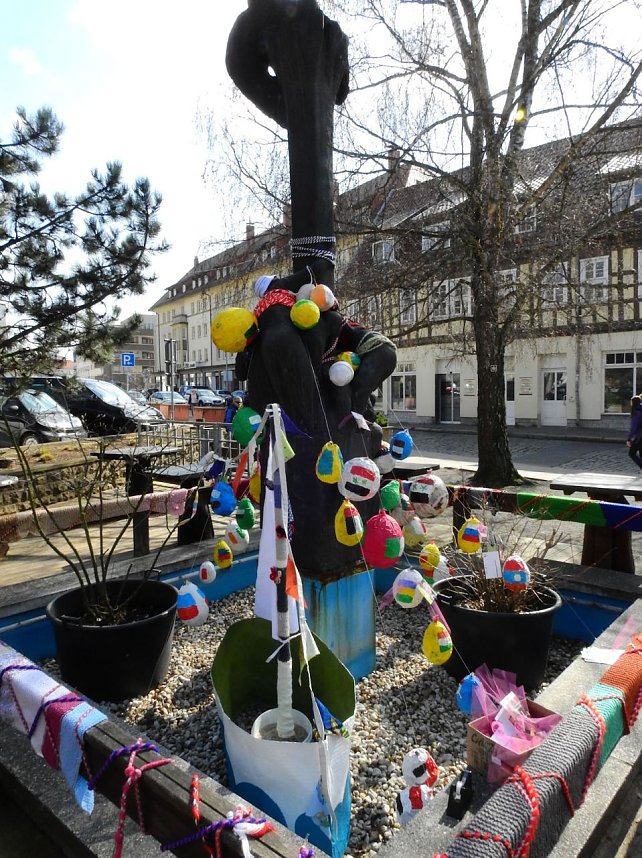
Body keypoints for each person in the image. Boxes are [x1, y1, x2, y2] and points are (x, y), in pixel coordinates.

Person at [627, 395, 642, 470]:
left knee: (632, 454)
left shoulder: (637, 413)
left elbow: (634, 428)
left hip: (639, 437)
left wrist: (629, 439)